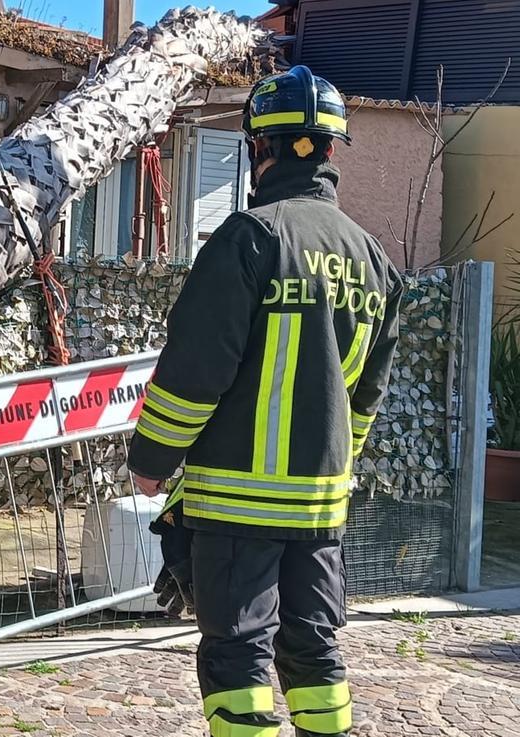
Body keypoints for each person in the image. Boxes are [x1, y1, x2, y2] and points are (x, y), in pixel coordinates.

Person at [126, 65, 405, 737]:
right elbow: (365, 399)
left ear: (260, 149)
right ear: (332, 152)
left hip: (234, 504)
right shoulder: (376, 262)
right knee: (313, 647)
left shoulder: (251, 238)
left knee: (237, 652)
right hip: (319, 508)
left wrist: (152, 460)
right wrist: (328, 471)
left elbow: (196, 370)